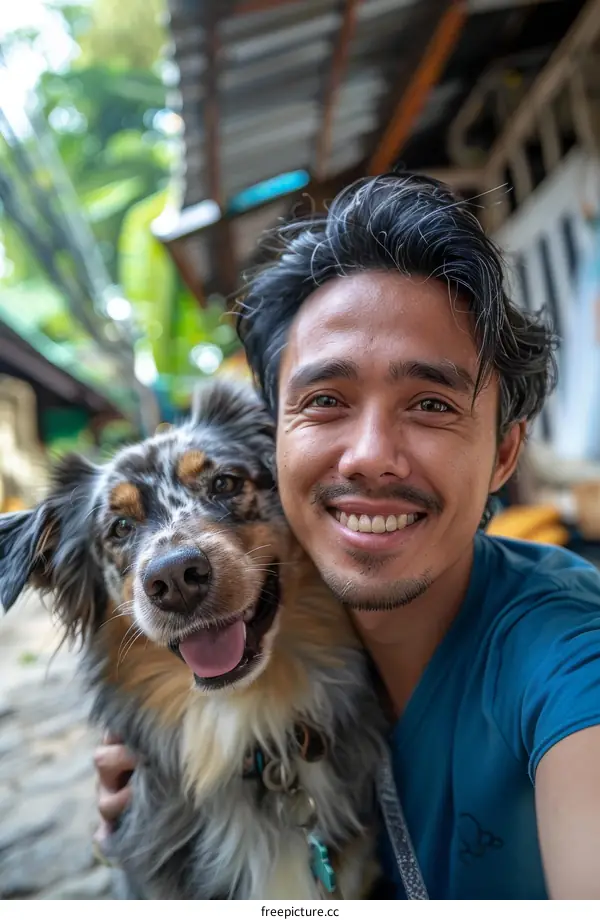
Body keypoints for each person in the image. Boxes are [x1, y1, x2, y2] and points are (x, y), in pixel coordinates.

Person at [94, 172, 600, 899]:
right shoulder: (279, 651)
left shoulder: (567, 654)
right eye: (326, 400)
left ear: (504, 454)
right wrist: (142, 822)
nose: (366, 454)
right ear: (276, 445)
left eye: (429, 403)